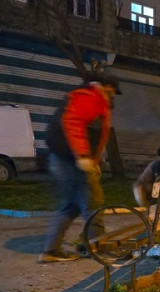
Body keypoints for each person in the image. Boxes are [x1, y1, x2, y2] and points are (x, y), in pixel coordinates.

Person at [39, 74, 120, 263]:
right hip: (70, 160)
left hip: (68, 159)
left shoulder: (93, 98)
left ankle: (54, 249)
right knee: (92, 201)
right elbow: (74, 122)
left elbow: (95, 136)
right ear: (106, 86)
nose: (113, 95)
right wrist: (83, 156)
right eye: (112, 91)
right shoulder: (90, 97)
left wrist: (94, 161)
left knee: (74, 204)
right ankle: (94, 244)